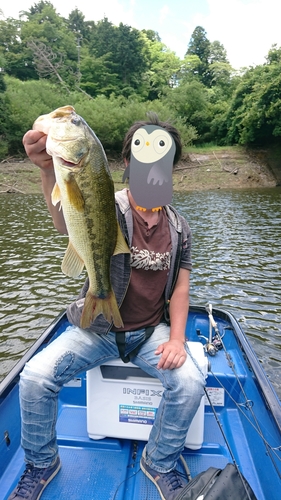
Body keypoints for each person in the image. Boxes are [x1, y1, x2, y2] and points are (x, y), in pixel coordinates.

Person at [8, 115, 206, 500]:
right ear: (126, 163)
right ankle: (42, 463)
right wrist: (50, 171)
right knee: (34, 377)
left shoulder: (180, 227)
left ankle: (159, 462)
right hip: (95, 331)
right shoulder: (109, 204)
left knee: (190, 383)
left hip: (150, 333)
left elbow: (180, 289)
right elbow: (66, 222)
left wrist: (178, 339)